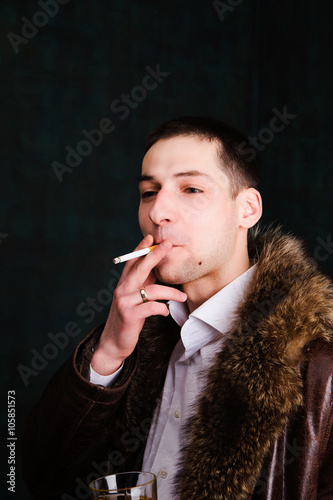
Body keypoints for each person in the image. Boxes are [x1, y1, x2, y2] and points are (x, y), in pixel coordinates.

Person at [23, 117, 333, 500]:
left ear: (248, 210)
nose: (158, 212)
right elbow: (34, 474)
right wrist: (108, 353)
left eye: (190, 188)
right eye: (149, 192)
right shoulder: (137, 333)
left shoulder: (320, 363)